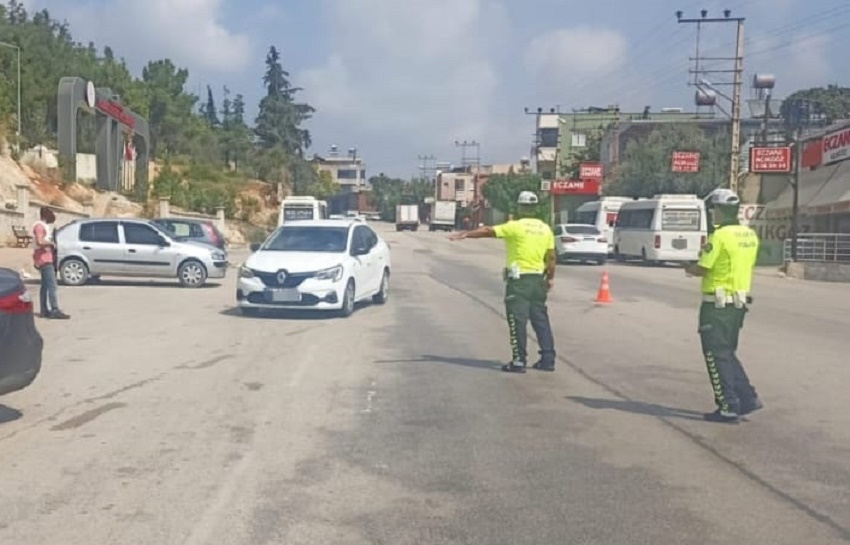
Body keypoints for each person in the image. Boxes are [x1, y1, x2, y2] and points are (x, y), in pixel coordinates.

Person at [449, 191, 556, 373]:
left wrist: (466, 234)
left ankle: (519, 361)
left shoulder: (515, 226)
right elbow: (551, 257)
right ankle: (548, 359)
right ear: (535, 207)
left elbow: (488, 231)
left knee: (517, 320)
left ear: (520, 207)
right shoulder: (545, 229)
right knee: (540, 320)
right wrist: (550, 278)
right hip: (538, 279)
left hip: (519, 280)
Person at [685, 188, 759, 423]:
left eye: (713, 210)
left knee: (715, 356)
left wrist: (689, 267)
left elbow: (704, 267)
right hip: (737, 305)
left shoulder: (719, 237)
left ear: (719, 210)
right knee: (727, 353)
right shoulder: (748, 235)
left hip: (716, 306)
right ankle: (747, 398)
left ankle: (727, 405)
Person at [32, 207, 70, 320]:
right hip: (44, 258)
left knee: (45, 285)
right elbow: (40, 241)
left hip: (42, 257)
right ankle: (54, 309)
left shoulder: (41, 226)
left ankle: (44, 310)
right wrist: (51, 244)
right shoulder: (39, 226)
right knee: (52, 285)